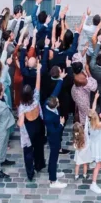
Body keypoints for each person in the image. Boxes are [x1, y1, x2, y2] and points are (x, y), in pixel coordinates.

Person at [37, 59, 67, 188]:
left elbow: (56, 91)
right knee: (54, 157)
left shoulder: (48, 103)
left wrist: (60, 79)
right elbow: (53, 131)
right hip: (53, 137)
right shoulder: (49, 117)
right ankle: (53, 180)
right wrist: (60, 124)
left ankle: (52, 171)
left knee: (54, 158)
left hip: (54, 135)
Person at [85, 95, 101, 194]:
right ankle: (93, 183)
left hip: (93, 143)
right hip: (99, 145)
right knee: (98, 164)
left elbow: (93, 109)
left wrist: (95, 98)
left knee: (96, 160)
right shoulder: (98, 125)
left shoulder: (89, 120)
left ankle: (92, 163)